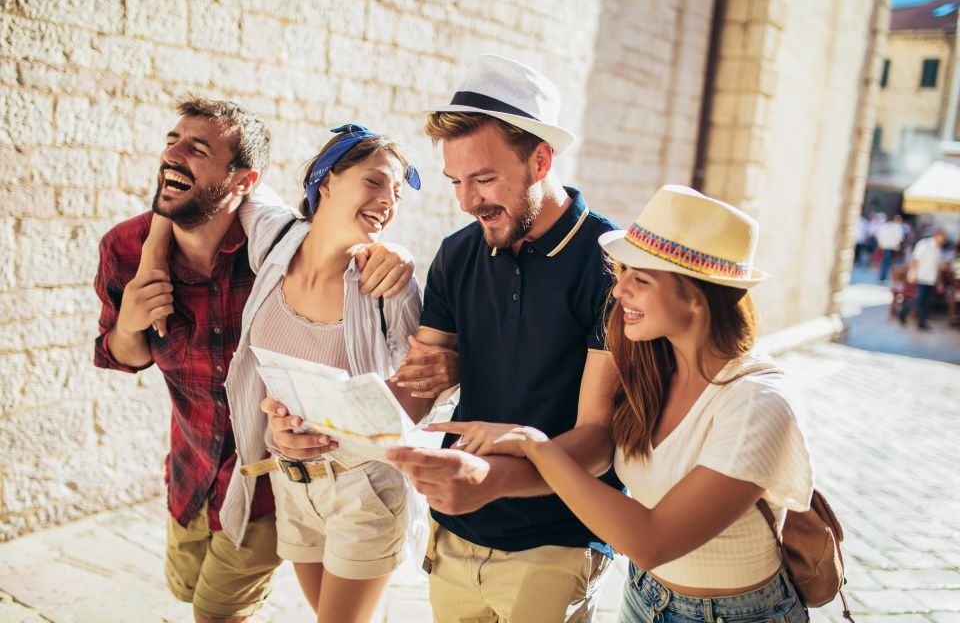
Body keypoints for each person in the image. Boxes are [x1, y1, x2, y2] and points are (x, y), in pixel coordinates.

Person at [93, 99, 414, 623]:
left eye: (198, 149)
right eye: (171, 141)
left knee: (216, 612)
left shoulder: (271, 244)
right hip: (193, 471)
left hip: (271, 482)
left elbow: (332, 237)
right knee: (188, 589)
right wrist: (132, 314)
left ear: (243, 181)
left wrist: (395, 252)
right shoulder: (125, 248)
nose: (173, 154)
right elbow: (124, 358)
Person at [432, 185, 815, 623]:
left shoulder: (758, 403)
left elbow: (653, 541)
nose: (618, 292)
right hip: (644, 596)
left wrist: (533, 444)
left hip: (736, 614)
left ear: (695, 295)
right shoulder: (651, 369)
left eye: (641, 279)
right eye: (623, 274)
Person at [383, 55, 624, 622]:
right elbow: (416, 388)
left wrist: (490, 480)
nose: (467, 201)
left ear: (540, 159)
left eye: (484, 179)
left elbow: (598, 440)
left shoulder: (613, 264)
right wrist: (333, 425)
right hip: (456, 531)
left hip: (559, 537)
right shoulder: (458, 252)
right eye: (456, 182)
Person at [899, 229, 947, 329]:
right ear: (937, 235)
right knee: (919, 298)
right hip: (921, 276)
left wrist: (939, 282)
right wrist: (912, 273)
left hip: (931, 278)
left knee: (925, 301)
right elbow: (915, 259)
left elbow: (937, 267)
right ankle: (903, 313)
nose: (943, 240)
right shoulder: (924, 244)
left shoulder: (938, 249)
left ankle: (921, 322)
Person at [876, 214, 904, 282]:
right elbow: (900, 238)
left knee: (885, 260)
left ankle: (883, 275)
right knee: (887, 261)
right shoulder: (897, 228)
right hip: (892, 247)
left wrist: (881, 242)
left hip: (885, 245)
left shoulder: (886, 226)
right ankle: (883, 276)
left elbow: (879, 234)